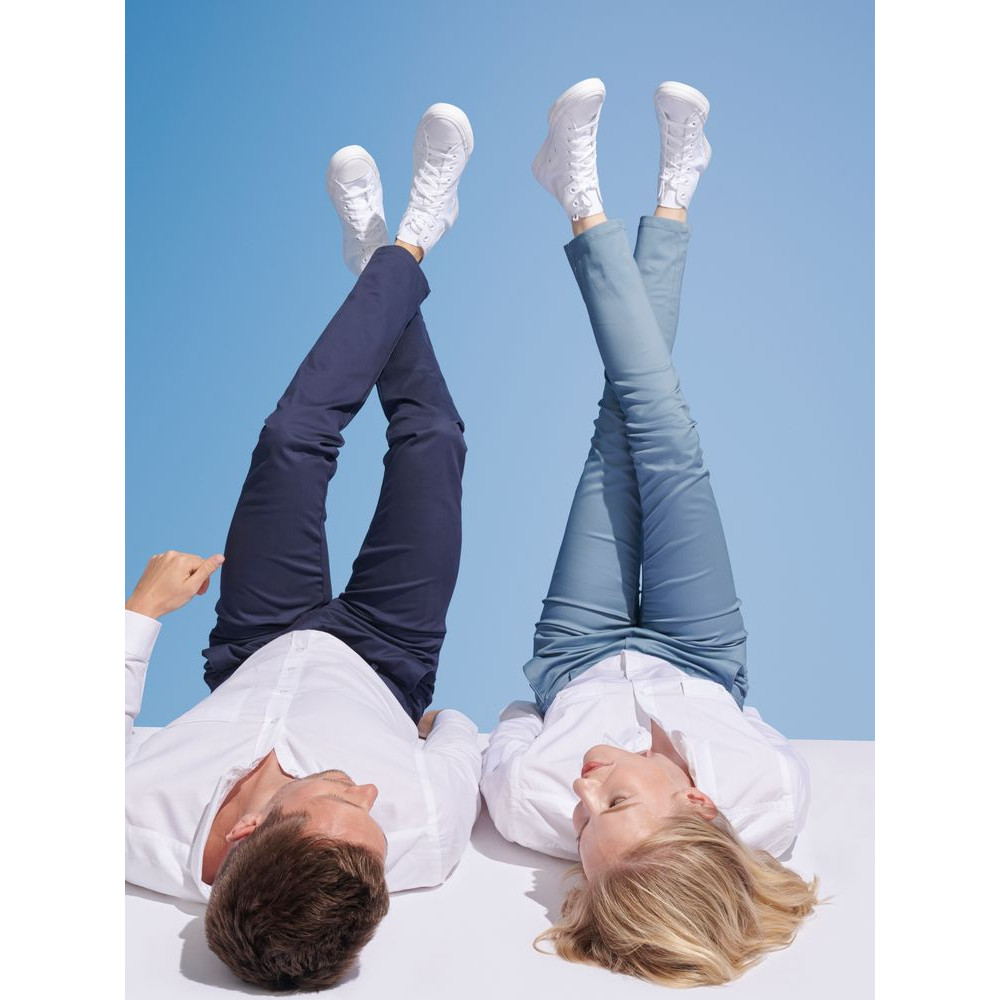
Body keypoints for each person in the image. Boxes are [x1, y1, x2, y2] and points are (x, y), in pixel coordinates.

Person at [125, 103, 481, 991]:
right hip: (389, 655)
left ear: (247, 832)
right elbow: (460, 740)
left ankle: (389, 256)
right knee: (433, 440)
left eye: (338, 797)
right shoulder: (424, 836)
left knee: (290, 441)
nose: (370, 791)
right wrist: (419, 723)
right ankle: (401, 247)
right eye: (375, 815)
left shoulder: (128, 822)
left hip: (255, 638)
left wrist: (140, 613)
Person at [480, 79, 819, 987]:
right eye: (616, 799)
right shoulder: (770, 798)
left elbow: (513, 722)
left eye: (582, 824)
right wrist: (703, 706)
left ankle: (653, 192)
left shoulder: (528, 805)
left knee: (619, 424)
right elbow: (753, 724)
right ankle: (598, 195)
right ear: (700, 803)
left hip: (577, 647)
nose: (582, 790)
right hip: (702, 652)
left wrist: (566, 700)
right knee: (663, 435)